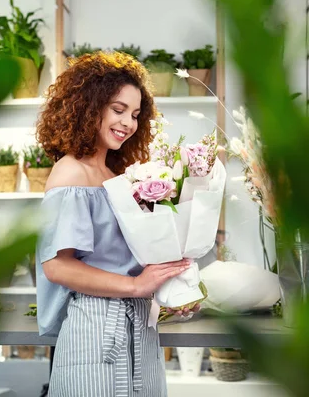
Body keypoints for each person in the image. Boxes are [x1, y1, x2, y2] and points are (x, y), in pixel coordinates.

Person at [35, 51, 190, 397]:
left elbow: (135, 259)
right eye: (118, 110)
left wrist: (177, 285)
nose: (128, 123)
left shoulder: (117, 176)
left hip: (140, 327)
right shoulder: (71, 172)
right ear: (89, 107)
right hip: (94, 329)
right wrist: (137, 287)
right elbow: (57, 267)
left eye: (135, 115)